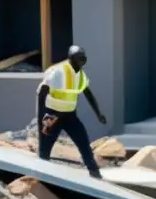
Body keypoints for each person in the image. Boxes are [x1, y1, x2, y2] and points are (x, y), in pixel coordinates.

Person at [37, 45, 107, 178]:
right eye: (79, 59)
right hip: (53, 114)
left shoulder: (80, 75)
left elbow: (88, 94)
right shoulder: (58, 71)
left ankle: (95, 174)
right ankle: (41, 178)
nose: (82, 62)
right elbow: (42, 92)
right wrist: (42, 116)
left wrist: (99, 114)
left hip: (70, 116)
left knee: (83, 142)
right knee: (45, 148)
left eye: (83, 59)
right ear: (72, 59)